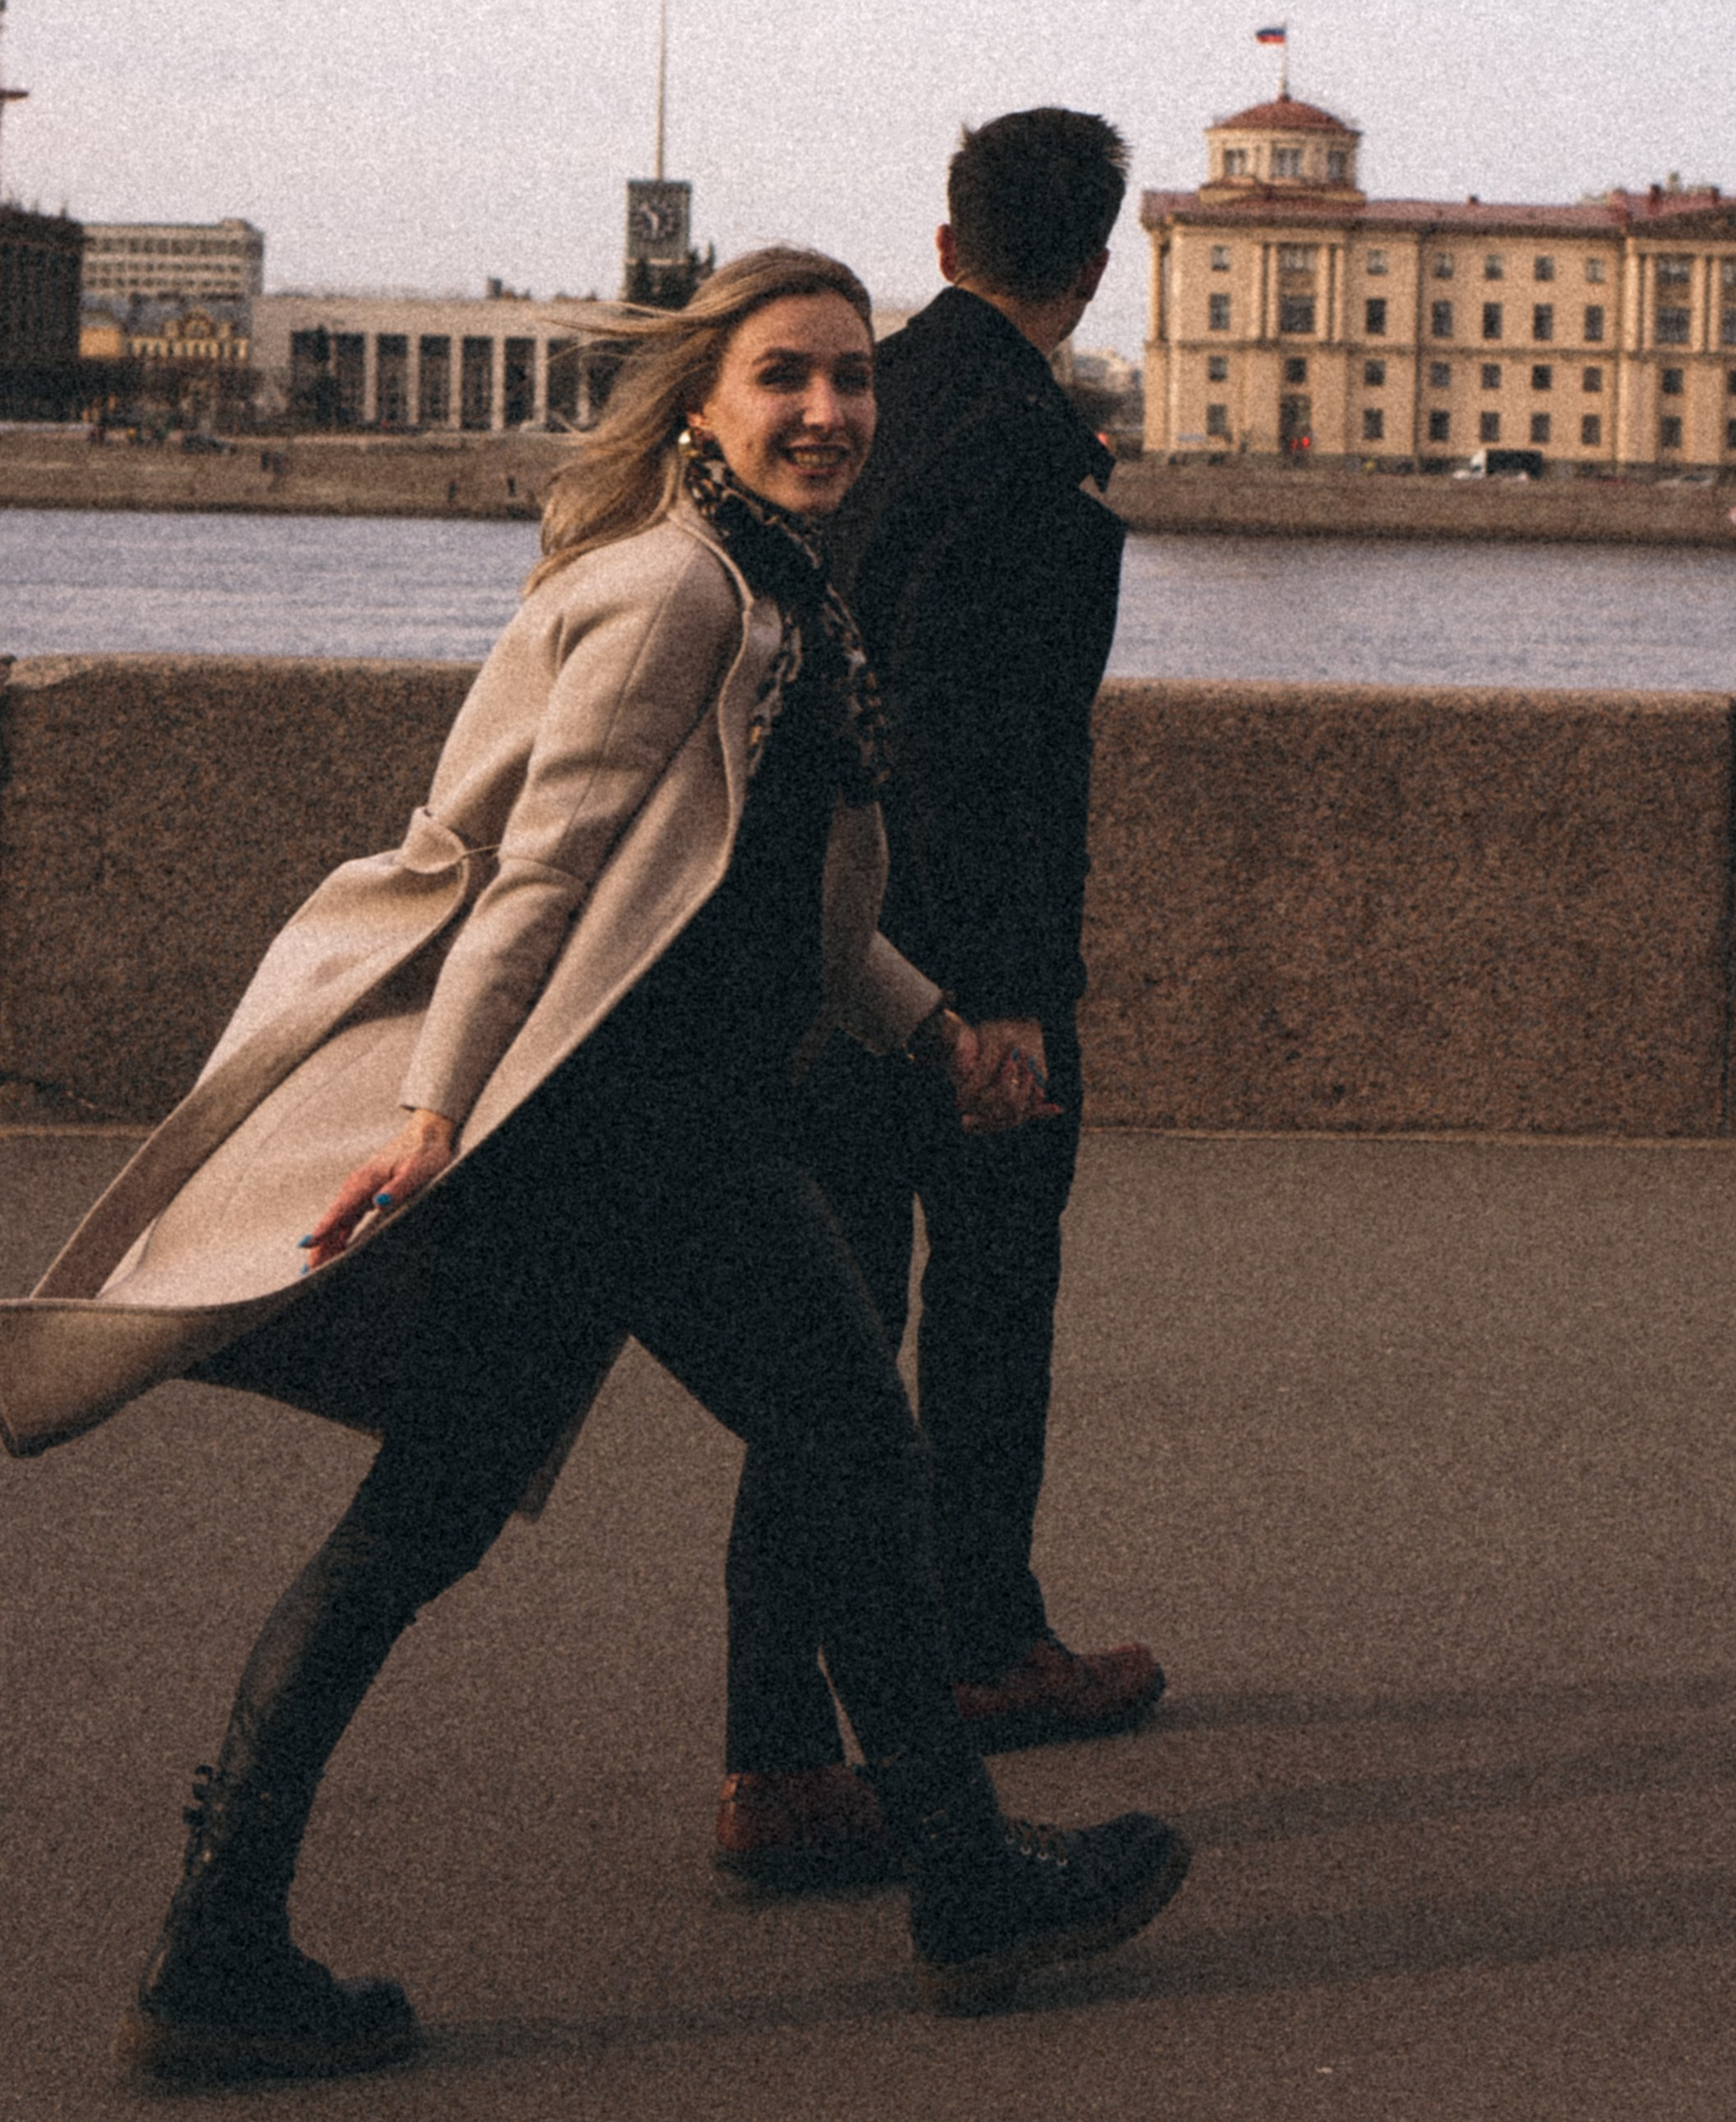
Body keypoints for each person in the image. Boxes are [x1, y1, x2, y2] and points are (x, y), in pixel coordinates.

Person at [0, 247, 1190, 2090]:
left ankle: (219, 1940)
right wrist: (434, 1109)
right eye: (785, 376)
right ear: (701, 400)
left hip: (619, 1129)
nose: (827, 412)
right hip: (635, 1132)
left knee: (430, 1522)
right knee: (850, 1454)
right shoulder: (682, 600)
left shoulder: (760, 590)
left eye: (851, 380)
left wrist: (926, 1029)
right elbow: (540, 878)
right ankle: (962, 1885)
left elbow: (744, 893)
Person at [716, 115, 1159, 1896]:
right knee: (979, 1329)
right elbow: (1012, 780)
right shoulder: (1033, 473)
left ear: (943, 237)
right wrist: (1018, 1011)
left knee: (818, 1362)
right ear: (1097, 262)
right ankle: (985, 1650)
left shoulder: (850, 420)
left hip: (788, 963)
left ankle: (773, 1747)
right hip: (942, 980)